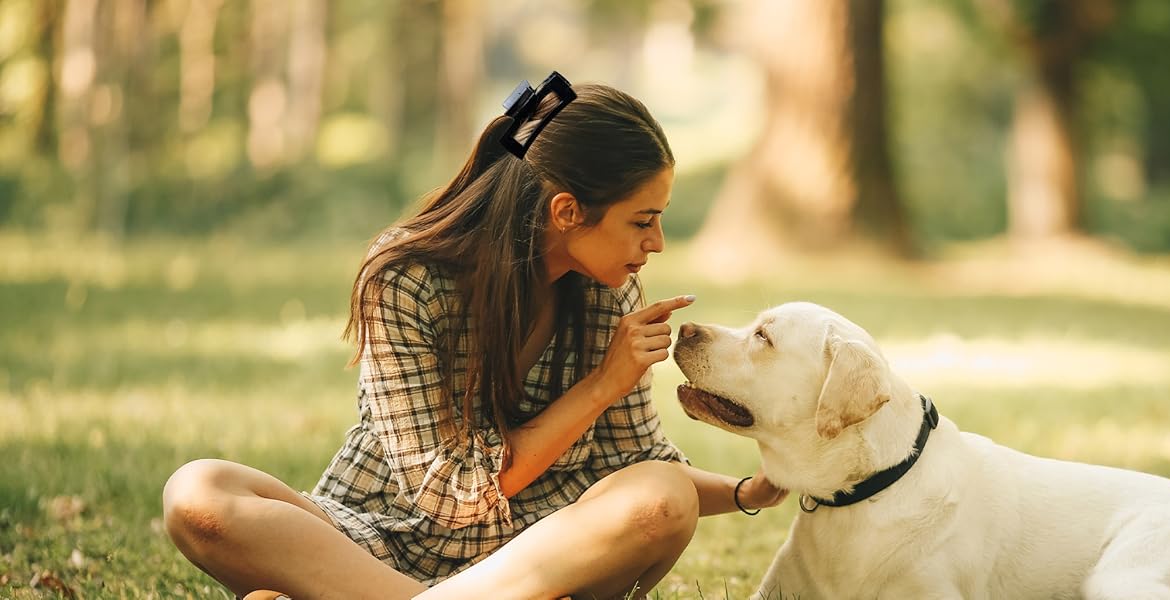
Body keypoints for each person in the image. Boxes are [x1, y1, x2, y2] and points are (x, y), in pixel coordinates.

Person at [161, 73, 788, 600]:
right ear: (566, 212)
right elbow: (449, 498)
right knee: (197, 492)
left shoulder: (610, 291)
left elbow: (638, 463)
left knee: (664, 498)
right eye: (642, 221)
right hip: (378, 541)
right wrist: (601, 386)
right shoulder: (405, 280)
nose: (656, 243)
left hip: (537, 553)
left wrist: (748, 490)